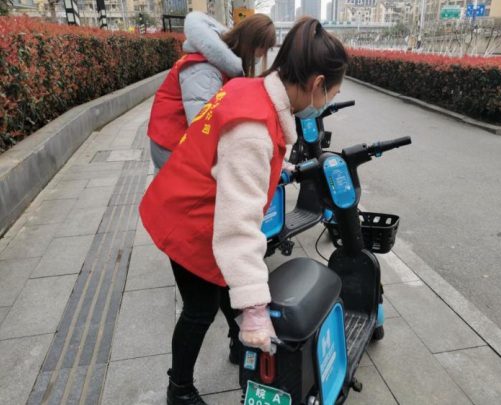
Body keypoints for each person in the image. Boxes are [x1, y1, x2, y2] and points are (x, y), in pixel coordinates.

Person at [139, 17, 348, 405]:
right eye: (331, 94)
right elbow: (238, 227)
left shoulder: (250, 88)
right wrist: (255, 310)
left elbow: (232, 160)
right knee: (199, 309)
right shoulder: (253, 130)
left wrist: (276, 168)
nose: (327, 103)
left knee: (224, 280)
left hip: (197, 204)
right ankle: (179, 389)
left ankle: (241, 347)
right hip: (188, 219)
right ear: (317, 84)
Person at [147, 11, 276, 173]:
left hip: (180, 137)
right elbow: (202, 126)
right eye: (262, 50)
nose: (261, 56)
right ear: (251, 42)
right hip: (171, 141)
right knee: (173, 188)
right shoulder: (205, 70)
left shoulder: (221, 63)